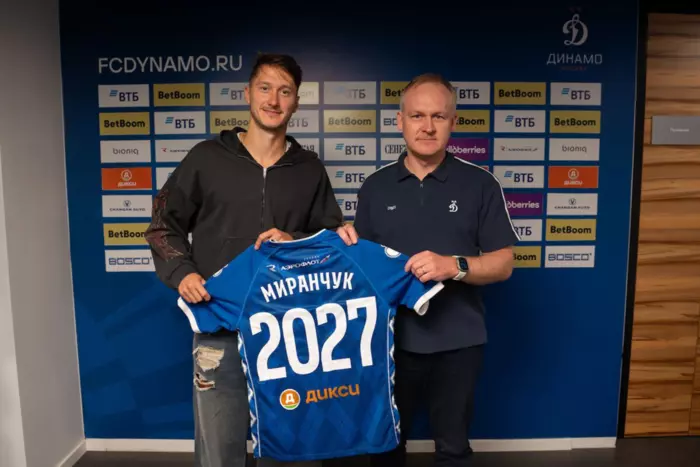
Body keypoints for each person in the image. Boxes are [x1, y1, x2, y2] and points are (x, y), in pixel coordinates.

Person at [144, 53, 358, 467]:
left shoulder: (309, 169)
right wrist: (183, 272)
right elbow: (161, 225)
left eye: (285, 91)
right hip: (218, 326)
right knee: (219, 451)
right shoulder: (206, 158)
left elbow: (330, 242)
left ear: (296, 102)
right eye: (265, 88)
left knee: (292, 449)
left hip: (289, 333)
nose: (273, 100)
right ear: (247, 94)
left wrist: (294, 239)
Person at [354, 73, 519, 467]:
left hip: (458, 343)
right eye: (417, 116)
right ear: (400, 121)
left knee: (453, 449)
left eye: (438, 116)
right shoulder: (374, 187)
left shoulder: (480, 184)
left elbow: (503, 264)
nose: (427, 127)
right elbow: (361, 269)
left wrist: (454, 266)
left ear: (453, 122)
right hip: (389, 343)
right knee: (386, 448)